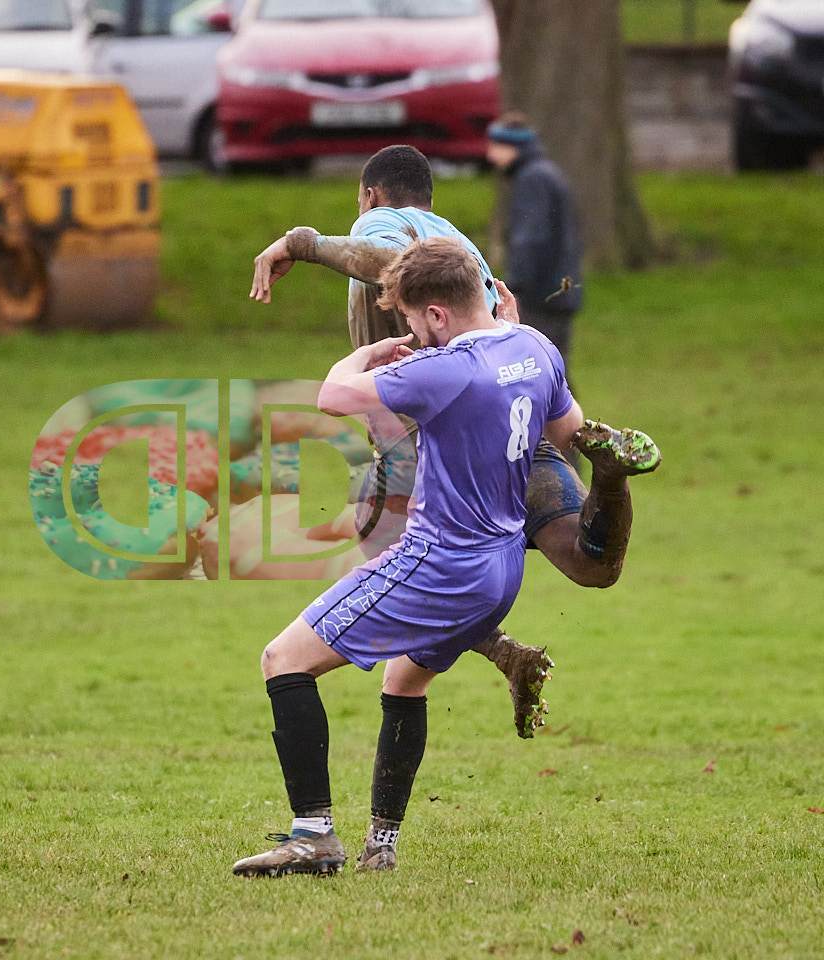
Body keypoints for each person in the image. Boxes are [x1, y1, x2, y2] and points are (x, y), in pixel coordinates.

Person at [231, 239, 660, 878]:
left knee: (282, 659)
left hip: (438, 563)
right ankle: (381, 845)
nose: (412, 332)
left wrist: (369, 354)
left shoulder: (446, 368)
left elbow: (332, 396)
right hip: (503, 568)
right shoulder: (535, 347)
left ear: (436, 313)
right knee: (405, 679)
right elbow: (571, 435)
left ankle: (313, 837)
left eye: (411, 319)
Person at [248, 145, 638, 743]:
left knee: (388, 546)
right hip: (515, 426)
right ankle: (609, 480)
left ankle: (502, 651)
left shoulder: (382, 223)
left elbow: (385, 260)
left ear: (369, 195)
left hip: (435, 440)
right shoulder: (458, 246)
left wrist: (302, 244)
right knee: (591, 564)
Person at [485, 113, 583, 365]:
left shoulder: (532, 179)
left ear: (512, 146)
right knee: (552, 365)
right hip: (556, 291)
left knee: (541, 367)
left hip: (540, 297)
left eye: (495, 146)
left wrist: (514, 287)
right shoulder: (544, 173)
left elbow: (530, 238)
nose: (490, 155)